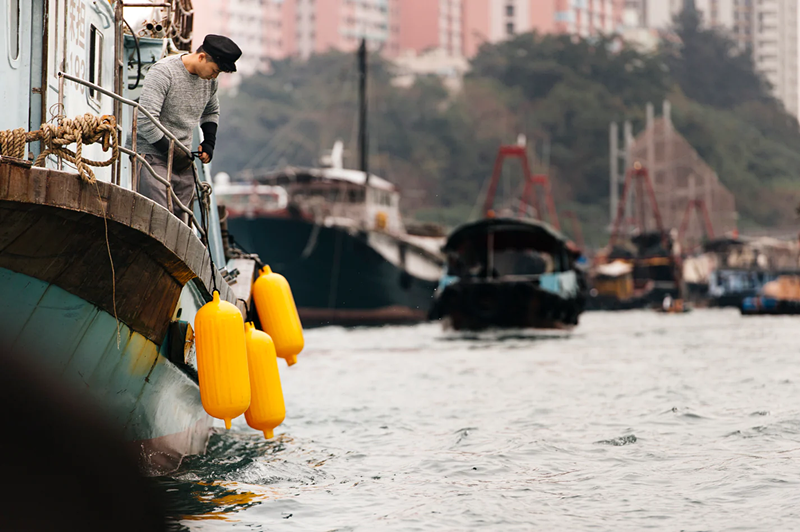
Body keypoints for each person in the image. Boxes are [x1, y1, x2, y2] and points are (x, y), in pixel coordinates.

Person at [136, 34, 241, 220]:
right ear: (201, 57)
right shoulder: (164, 72)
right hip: (151, 155)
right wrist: (172, 152)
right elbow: (145, 120)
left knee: (182, 222)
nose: (214, 76)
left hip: (182, 160)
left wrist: (209, 142)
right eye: (215, 70)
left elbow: (211, 112)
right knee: (158, 218)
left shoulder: (210, 81)